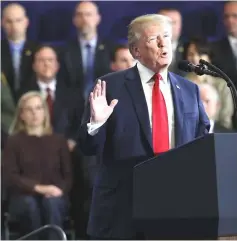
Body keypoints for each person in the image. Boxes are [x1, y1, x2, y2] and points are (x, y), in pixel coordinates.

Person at [78, 14, 210, 239]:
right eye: (153, 38)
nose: (163, 43)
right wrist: (96, 124)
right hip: (124, 209)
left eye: (166, 36)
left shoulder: (189, 90)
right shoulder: (110, 86)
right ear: (135, 51)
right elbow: (88, 147)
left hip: (177, 207)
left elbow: (202, 141)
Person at [2, 91, 72, 239]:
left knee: (52, 204)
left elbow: (68, 176)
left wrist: (58, 190)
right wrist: (38, 188)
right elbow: (10, 176)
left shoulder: (58, 140)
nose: (35, 113)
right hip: (23, 197)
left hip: (55, 195)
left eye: (39, 108)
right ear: (21, 114)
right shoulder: (13, 141)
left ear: (45, 112)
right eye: (29, 109)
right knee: (30, 205)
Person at [60, 1, 111, 100]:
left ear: (98, 18)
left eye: (89, 14)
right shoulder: (65, 51)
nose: (84, 19)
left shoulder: (110, 48)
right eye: (80, 15)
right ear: (74, 20)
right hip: (74, 108)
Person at [184, 38, 234, 129]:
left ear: (209, 57)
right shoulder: (181, 85)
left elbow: (226, 119)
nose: (195, 58)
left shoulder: (222, 85)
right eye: (191, 54)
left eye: (200, 53)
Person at [1, 3, 38, 102]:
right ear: (2, 23)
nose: (14, 26)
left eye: (18, 20)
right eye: (9, 21)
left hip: (31, 103)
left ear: (26, 22)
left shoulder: (38, 50)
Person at [158, 8, 185, 76]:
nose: (169, 27)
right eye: (165, 23)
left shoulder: (190, 48)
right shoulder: (146, 48)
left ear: (180, 26)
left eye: (173, 23)